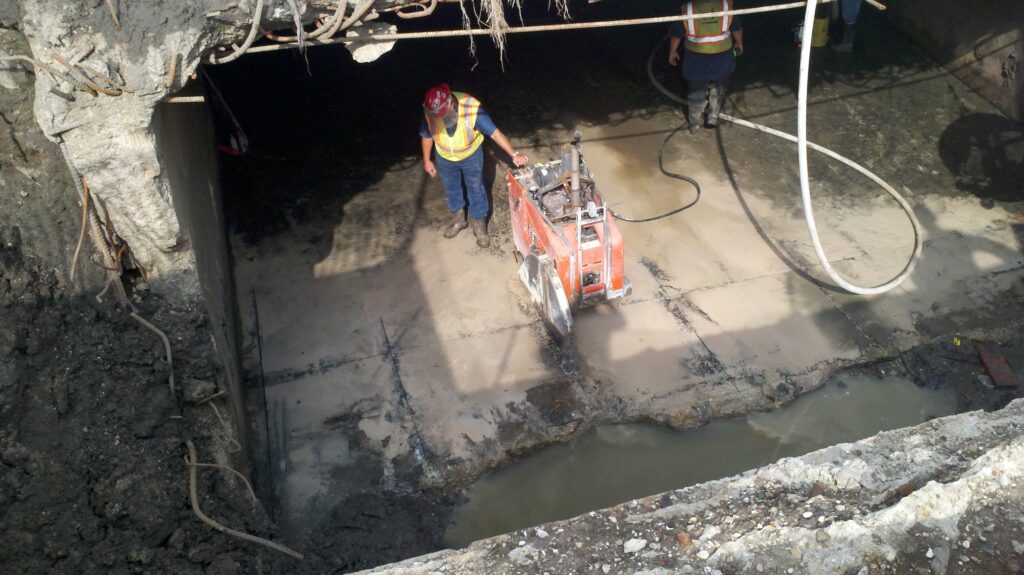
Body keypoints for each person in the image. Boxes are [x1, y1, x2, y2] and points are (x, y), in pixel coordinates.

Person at [420, 84, 529, 248]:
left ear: (451, 102)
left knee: (476, 188)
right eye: (437, 116)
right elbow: (427, 135)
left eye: (444, 115)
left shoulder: (470, 108)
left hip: (470, 156)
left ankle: (480, 225)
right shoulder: (430, 111)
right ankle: (459, 220)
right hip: (445, 157)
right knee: (451, 189)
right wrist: (427, 160)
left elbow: (494, 133)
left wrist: (514, 154)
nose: (441, 119)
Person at [668, 0, 744, 134]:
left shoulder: (688, 10)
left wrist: (672, 52)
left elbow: (677, 35)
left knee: (696, 92)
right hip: (722, 58)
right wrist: (739, 43)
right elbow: (736, 28)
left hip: (696, 60)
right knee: (719, 88)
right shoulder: (725, 6)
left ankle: (694, 124)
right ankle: (712, 118)